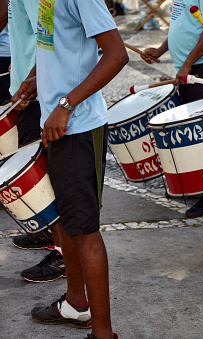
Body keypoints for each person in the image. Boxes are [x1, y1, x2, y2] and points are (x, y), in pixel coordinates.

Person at [13, 0, 128, 337]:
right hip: (57, 125)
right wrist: (37, 78)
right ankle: (77, 304)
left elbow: (117, 54)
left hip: (77, 128)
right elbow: (61, 48)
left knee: (84, 230)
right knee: (64, 220)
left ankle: (103, 332)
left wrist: (66, 104)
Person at [0, 0, 67, 283]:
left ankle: (63, 254)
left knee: (47, 177)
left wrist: (35, 82)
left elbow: (50, 40)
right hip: (27, 86)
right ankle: (48, 233)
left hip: (41, 93)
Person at [141, 0, 203, 218]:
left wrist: (188, 63)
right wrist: (160, 51)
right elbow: (184, 25)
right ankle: (202, 188)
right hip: (190, 68)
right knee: (195, 132)